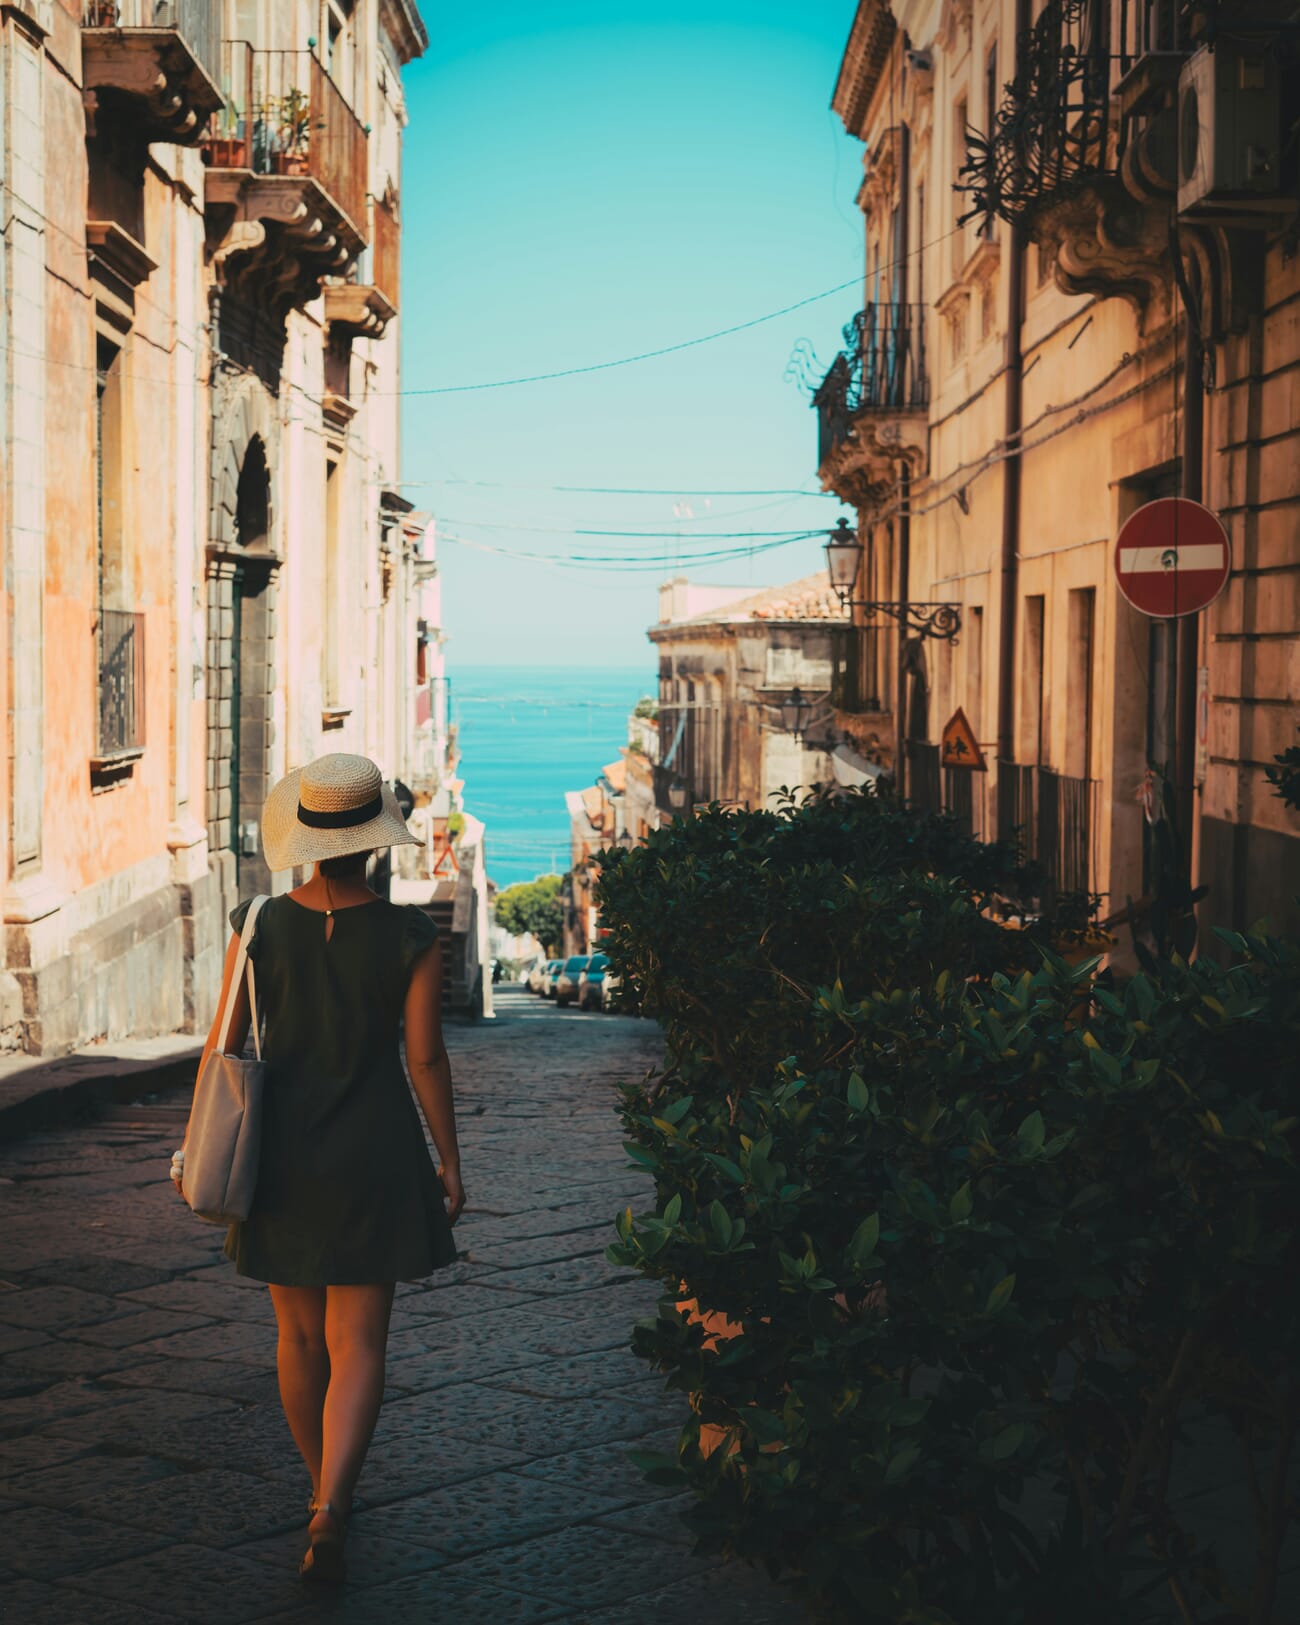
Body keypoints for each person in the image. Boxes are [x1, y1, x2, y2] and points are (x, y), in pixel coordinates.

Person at [171, 753, 464, 1584]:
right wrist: (449, 1158)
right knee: (361, 1341)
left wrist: (198, 1144)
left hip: (281, 1155)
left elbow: (222, 1044)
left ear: (303, 837)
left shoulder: (258, 923)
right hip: (375, 1152)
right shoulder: (410, 935)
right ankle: (337, 1498)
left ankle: (319, 1495)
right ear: (377, 842)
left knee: (297, 1335)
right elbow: (426, 1057)